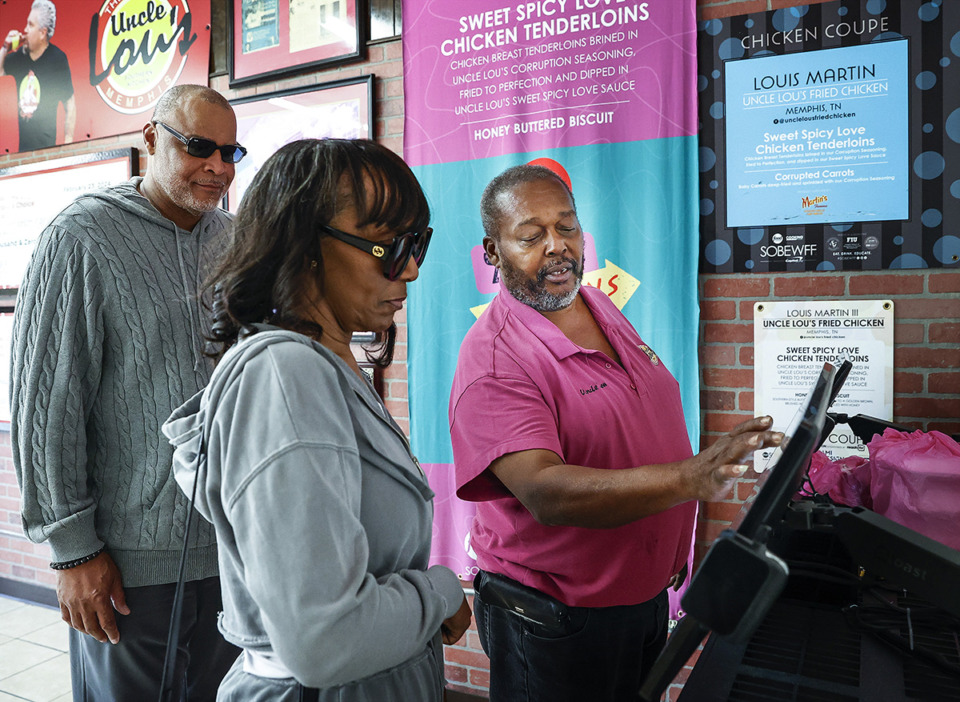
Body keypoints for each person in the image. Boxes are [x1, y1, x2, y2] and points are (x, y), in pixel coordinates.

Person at [448, 164, 783, 702]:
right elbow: (546, 492)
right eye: (531, 236)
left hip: (639, 598)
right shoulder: (495, 358)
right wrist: (686, 479)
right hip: (558, 619)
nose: (557, 247)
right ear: (493, 252)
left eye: (568, 227)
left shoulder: (595, 304)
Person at [161, 138, 472, 701]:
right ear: (302, 245)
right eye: (388, 247)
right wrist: (440, 592)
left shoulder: (324, 362)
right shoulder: (286, 375)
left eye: (417, 245)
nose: (412, 272)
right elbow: (325, 640)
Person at [11, 84, 246, 700]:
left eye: (230, 152)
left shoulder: (236, 241)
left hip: (233, 554)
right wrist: (71, 551)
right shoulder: (81, 238)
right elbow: (45, 411)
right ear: (150, 139)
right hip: (126, 569)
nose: (218, 167)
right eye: (199, 147)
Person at [1, 0, 75, 151]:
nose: (25, 30)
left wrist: (68, 144)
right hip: (20, 152)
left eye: (30, 25)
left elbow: (70, 104)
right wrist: (4, 48)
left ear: (43, 33)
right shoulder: (19, 56)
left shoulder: (57, 59)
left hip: (46, 152)